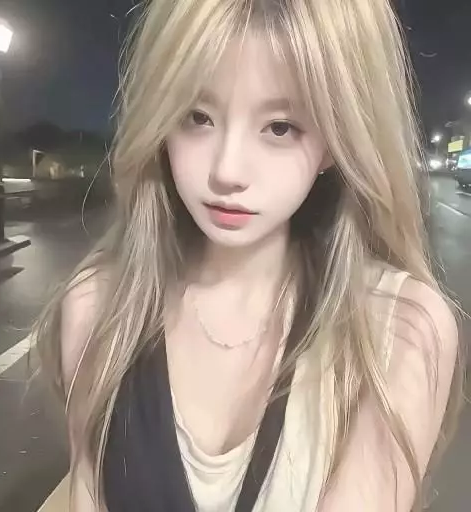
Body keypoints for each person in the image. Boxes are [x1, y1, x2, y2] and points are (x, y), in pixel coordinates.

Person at [35, 0, 463, 511]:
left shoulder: (400, 331)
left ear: (336, 141)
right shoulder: (98, 307)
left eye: (280, 127)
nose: (228, 170)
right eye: (197, 117)